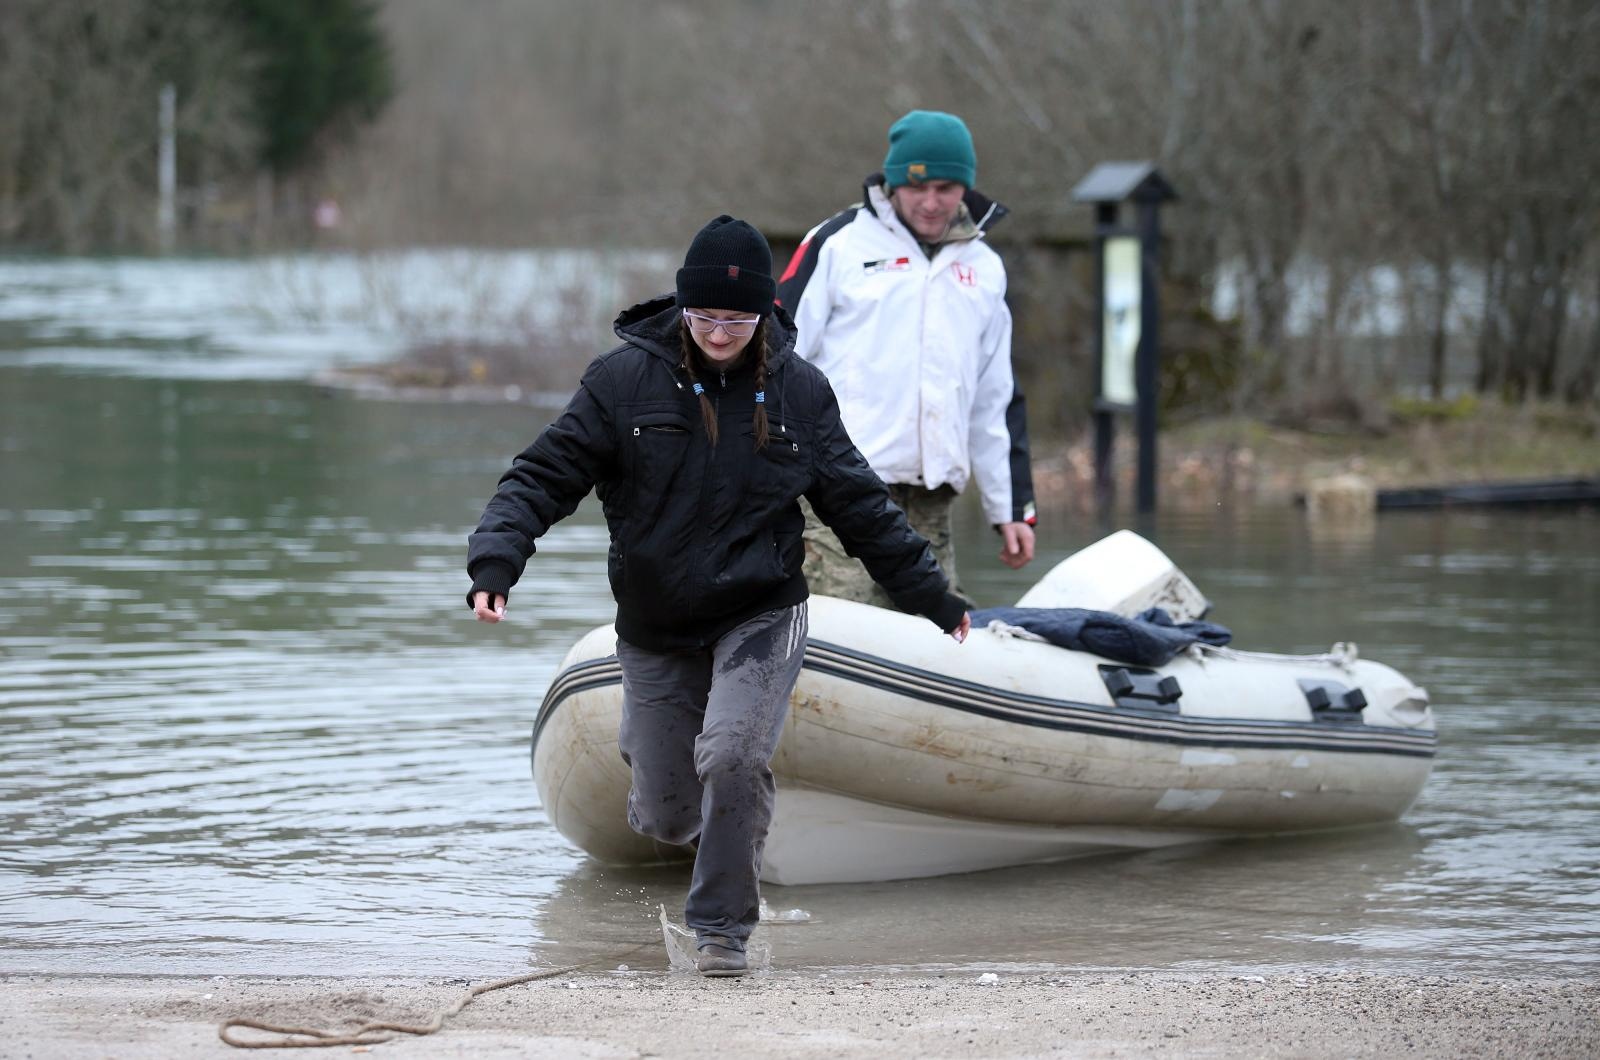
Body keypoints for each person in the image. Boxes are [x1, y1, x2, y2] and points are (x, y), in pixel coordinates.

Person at [465, 216, 970, 978]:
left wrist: (935, 599)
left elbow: (862, 507)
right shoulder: (621, 383)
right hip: (657, 620)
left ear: (764, 314)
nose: (721, 334)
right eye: (705, 317)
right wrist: (496, 562)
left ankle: (723, 932)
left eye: (737, 320)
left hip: (760, 611)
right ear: (683, 307)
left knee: (732, 755)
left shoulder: (800, 392)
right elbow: (541, 476)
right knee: (667, 814)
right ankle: (712, 843)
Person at [777, 109, 1038, 607]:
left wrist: (1010, 508)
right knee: (843, 630)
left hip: (931, 504)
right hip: (837, 494)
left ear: (965, 188)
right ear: (893, 183)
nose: (931, 202)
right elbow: (773, 357)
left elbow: (995, 395)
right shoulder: (838, 243)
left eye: (946, 188)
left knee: (939, 635)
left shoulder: (985, 267)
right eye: (918, 187)